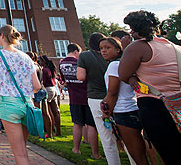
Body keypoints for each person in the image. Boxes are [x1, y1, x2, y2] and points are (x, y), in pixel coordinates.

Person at [119, 10, 181, 163]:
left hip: (155, 106)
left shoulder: (137, 47)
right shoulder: (176, 47)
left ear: (136, 30)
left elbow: (123, 74)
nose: (130, 32)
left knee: (170, 154)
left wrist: (131, 74)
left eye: (131, 29)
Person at [0, 25, 42, 165]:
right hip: (27, 103)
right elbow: (37, 86)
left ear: (2, 36)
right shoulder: (26, 57)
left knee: (18, 154)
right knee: (23, 150)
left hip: (8, 104)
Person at [100, 37, 148, 165]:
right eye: (101, 48)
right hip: (133, 107)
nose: (104, 51)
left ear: (118, 49)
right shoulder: (125, 64)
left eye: (107, 48)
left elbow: (113, 92)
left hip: (123, 110)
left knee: (137, 155)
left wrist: (106, 110)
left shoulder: (114, 65)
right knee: (141, 152)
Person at [77, 32, 120, 164]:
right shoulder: (116, 58)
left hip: (97, 98)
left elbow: (81, 77)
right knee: (126, 136)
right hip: (118, 97)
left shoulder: (84, 56)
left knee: (106, 137)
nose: (103, 51)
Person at [59, 43, 100, 157]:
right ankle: (95, 153)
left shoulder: (62, 63)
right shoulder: (80, 62)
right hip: (86, 96)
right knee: (91, 125)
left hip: (74, 97)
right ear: (76, 51)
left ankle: (76, 148)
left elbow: (64, 80)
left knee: (77, 124)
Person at [39, 55, 61, 138]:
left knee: (47, 112)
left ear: (44, 61)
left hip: (47, 89)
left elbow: (43, 81)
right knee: (56, 111)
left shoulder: (44, 70)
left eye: (40, 61)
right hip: (53, 89)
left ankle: (50, 132)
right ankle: (58, 131)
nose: (39, 63)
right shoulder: (51, 69)